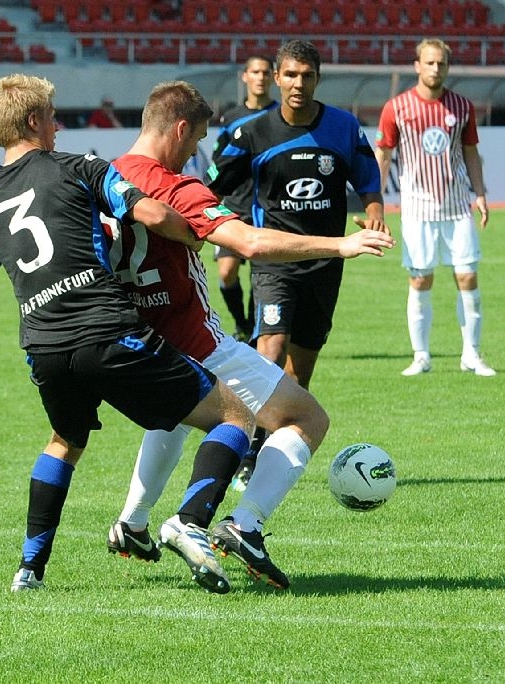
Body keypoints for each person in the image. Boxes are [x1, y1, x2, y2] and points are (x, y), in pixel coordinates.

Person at [0, 73, 256, 594]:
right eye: (52, 117)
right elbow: (152, 211)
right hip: (108, 331)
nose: (57, 127)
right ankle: (189, 523)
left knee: (64, 442)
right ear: (33, 121)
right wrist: (193, 235)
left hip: (44, 344)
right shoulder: (77, 167)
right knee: (235, 415)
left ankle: (29, 570)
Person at [106, 80, 394, 590]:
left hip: (140, 342)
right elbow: (251, 243)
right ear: (179, 129)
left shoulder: (101, 179)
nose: (195, 153)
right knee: (306, 417)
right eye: (196, 140)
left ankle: (132, 521)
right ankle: (244, 525)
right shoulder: (174, 187)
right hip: (198, 340)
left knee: (176, 415)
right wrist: (340, 245)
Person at [208, 40, 386, 488]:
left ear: (318, 79)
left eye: (307, 76)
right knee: (270, 347)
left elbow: (368, 179)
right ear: (276, 77)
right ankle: (245, 448)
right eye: (290, 74)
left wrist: (375, 208)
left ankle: (271, 448)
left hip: (325, 262)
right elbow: (212, 185)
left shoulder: (343, 128)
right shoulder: (251, 133)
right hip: (275, 261)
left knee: (299, 372)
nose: (298, 84)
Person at [374, 38, 495, 378]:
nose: (435, 68)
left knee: (468, 277)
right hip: (416, 209)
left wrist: (480, 192)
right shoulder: (396, 108)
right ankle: (421, 356)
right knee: (420, 280)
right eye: (429, 62)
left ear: (447, 66)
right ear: (417, 66)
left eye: (441, 63)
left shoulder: (462, 107)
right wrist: (375, 200)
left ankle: (471, 354)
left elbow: (470, 151)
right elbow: (383, 154)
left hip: (456, 206)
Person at [212, 55, 278, 342]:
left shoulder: (282, 114)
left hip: (269, 205)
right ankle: (241, 324)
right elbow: (218, 162)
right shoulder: (231, 118)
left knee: (261, 276)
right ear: (245, 76)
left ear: (273, 77)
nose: (260, 77)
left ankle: (253, 331)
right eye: (255, 72)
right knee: (227, 272)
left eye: (265, 72)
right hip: (235, 205)